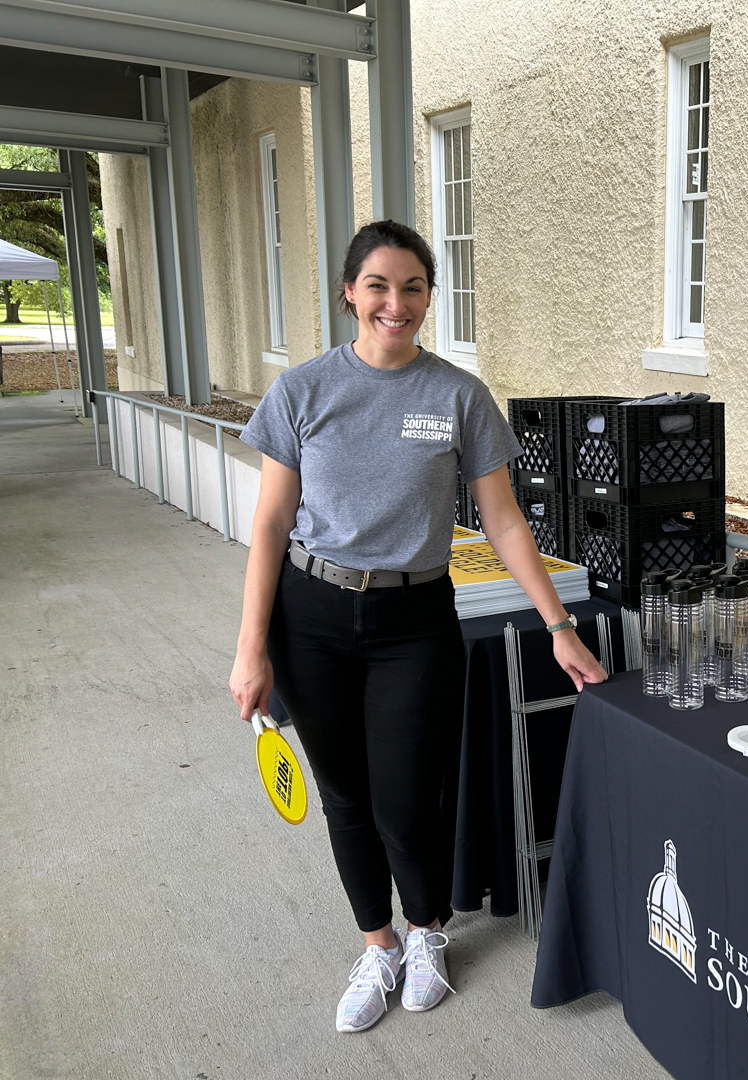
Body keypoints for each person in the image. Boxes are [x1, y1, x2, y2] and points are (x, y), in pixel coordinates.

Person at [228, 219, 607, 1033]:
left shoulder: (458, 395)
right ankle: (379, 943)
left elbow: (503, 521)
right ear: (348, 292)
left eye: (412, 287)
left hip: (415, 619)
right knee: (345, 797)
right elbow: (269, 525)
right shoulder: (301, 393)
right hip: (313, 615)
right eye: (378, 285)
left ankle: (427, 932)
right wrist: (250, 648)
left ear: (429, 296)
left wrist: (558, 624)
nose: (395, 303)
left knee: (407, 799)